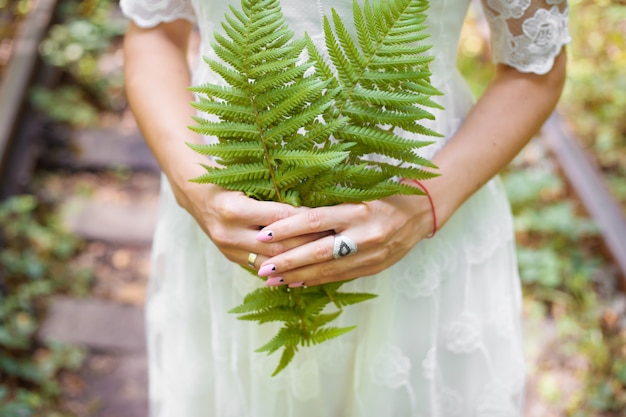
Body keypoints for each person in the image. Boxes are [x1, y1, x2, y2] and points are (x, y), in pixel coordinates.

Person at [121, 0, 569, 416]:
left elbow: (535, 69)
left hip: (418, 225)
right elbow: (153, 31)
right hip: (225, 221)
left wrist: (419, 207)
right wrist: (197, 190)